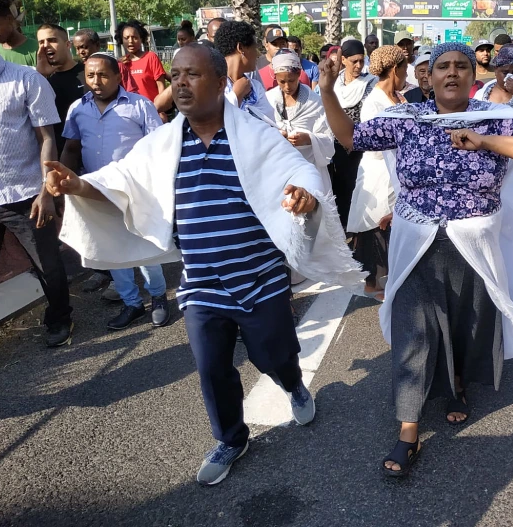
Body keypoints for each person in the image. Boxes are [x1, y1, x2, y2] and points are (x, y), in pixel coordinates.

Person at [48, 43, 363, 485]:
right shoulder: (162, 145)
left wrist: (305, 197)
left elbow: (300, 171)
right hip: (201, 282)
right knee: (212, 369)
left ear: (218, 83)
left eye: (191, 75)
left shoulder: (254, 135)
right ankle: (231, 438)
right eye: (175, 75)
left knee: (275, 356)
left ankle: (292, 384)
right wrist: (78, 185)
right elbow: (121, 181)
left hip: (260, 277)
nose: (179, 83)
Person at [319, 41, 513, 478]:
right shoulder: (408, 118)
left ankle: (457, 385)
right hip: (415, 242)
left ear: (472, 75)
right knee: (414, 330)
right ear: (427, 76)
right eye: (442, 66)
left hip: (474, 242)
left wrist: (486, 141)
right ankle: (408, 428)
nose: (451, 72)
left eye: (461, 66)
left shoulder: (495, 118)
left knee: (468, 322)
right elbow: (351, 137)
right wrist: (326, 91)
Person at [0, 11, 74, 374]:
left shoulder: (26, 79)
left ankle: (60, 317)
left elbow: (47, 138)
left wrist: (46, 190)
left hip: (25, 193)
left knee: (47, 263)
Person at [60, 53, 169, 329]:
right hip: (96, 191)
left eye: (103, 75)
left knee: (143, 247)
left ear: (118, 76)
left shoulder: (139, 105)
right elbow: (71, 148)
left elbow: (159, 147)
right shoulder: (78, 109)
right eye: (90, 76)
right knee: (112, 249)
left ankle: (158, 297)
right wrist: (64, 181)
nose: (96, 82)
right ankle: (132, 303)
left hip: (135, 189)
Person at [347, 46, 407, 300]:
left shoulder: (399, 98)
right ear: (394, 70)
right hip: (378, 171)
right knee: (375, 225)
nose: (406, 75)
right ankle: (373, 283)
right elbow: (374, 142)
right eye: (404, 69)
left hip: (397, 171)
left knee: (393, 226)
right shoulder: (374, 102)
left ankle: (391, 279)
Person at [266, 50, 335, 193]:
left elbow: (327, 138)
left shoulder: (314, 102)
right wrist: (277, 136)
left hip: (309, 169)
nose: (287, 87)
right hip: (278, 170)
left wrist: (309, 138)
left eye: (291, 81)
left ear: (299, 74)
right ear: (275, 77)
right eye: (282, 82)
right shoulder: (269, 100)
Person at [328, 39, 378, 228]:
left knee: (359, 190)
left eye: (361, 61)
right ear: (343, 60)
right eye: (354, 61)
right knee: (340, 190)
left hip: (361, 148)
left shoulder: (370, 83)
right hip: (336, 148)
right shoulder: (332, 84)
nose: (358, 65)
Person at [212, 20, 276, 124]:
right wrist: (236, 95)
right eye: (254, 48)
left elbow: (269, 122)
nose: (257, 54)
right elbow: (212, 123)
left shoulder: (255, 87)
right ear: (240, 48)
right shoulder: (212, 85)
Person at [36, 24, 87, 154]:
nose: (45, 45)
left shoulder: (88, 74)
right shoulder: (39, 80)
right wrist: (41, 76)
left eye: (52, 40)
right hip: (59, 155)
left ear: (68, 44)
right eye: (41, 42)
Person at [116, 19, 169, 103]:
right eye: (126, 38)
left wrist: (160, 107)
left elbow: (161, 87)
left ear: (141, 38)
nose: (130, 41)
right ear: (121, 40)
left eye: (135, 37)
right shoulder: (120, 64)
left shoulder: (151, 57)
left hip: (152, 108)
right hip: (130, 109)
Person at [257, 26, 310, 91]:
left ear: (287, 46)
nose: (278, 47)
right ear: (266, 46)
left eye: (282, 44)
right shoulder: (259, 75)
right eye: (274, 44)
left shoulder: (300, 74)